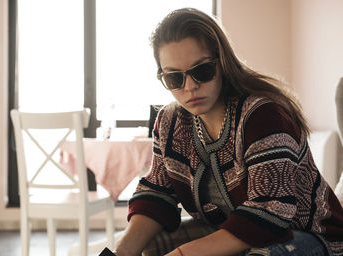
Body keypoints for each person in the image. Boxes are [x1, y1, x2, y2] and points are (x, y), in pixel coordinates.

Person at [113, 8, 343, 256]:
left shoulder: (263, 115)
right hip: (228, 229)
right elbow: (156, 194)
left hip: (308, 236)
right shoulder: (169, 122)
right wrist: (121, 252)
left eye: (202, 71)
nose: (190, 87)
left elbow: (270, 213)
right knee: (150, 246)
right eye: (174, 78)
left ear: (222, 62)